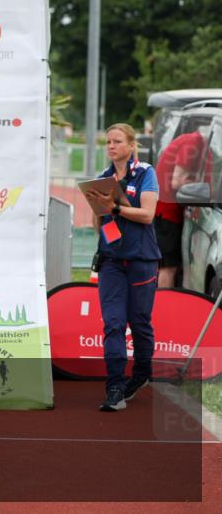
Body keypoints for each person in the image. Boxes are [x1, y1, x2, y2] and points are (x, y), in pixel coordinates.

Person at [86, 123, 160, 412]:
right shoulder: (103, 179)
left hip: (142, 260)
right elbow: (98, 224)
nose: (112, 146)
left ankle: (141, 373)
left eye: (117, 141)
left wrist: (115, 207)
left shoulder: (145, 173)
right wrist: (100, 210)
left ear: (131, 145)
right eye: (108, 142)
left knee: (139, 322)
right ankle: (115, 386)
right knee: (113, 323)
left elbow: (147, 215)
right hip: (112, 262)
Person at [153, 131, 208, 287]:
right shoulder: (194, 143)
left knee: (167, 266)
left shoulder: (191, 139)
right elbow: (177, 181)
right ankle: (164, 308)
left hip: (165, 210)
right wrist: (198, 183)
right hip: (167, 213)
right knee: (168, 268)